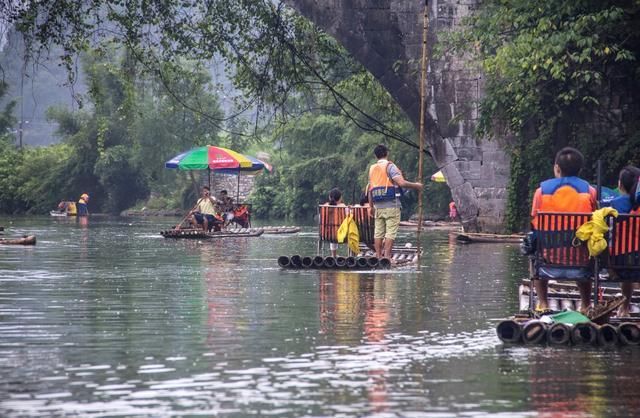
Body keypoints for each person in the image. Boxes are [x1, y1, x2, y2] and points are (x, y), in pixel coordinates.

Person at [530, 147, 597, 313]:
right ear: (580, 170)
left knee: (535, 249)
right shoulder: (590, 192)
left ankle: (543, 303)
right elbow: (595, 220)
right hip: (580, 256)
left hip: (549, 257)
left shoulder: (541, 192)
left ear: (557, 168)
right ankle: (586, 304)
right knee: (587, 246)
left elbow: (534, 221)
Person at [366, 144, 423, 259]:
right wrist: (416, 186)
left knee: (378, 232)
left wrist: (370, 206)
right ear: (386, 153)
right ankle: (386, 257)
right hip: (391, 204)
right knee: (390, 233)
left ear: (376, 156)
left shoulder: (372, 169)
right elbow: (401, 183)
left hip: (377, 205)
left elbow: (370, 189)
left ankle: (378, 256)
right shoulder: (390, 166)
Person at [604, 166, 640, 316]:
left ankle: (624, 308)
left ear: (619, 185)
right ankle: (625, 308)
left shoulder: (612, 205)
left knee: (626, 258)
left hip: (619, 264)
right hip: (636, 260)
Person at [326, 188, 346, 257]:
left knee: (333, 231)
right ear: (340, 198)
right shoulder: (343, 207)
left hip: (327, 234)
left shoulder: (325, 207)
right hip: (343, 234)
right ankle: (352, 254)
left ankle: (333, 255)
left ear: (329, 197)